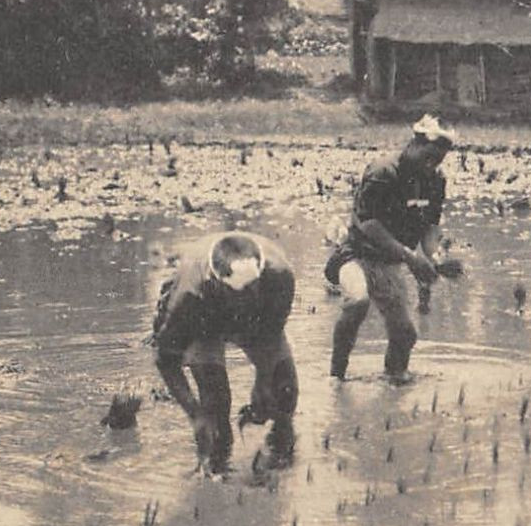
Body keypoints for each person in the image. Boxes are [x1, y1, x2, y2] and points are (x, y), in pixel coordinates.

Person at [151, 231, 297, 475]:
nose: (245, 297)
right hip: (206, 322)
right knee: (215, 406)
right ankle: (217, 465)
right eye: (237, 292)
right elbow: (165, 360)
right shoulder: (189, 297)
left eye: (251, 288)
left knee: (285, 390)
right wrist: (194, 414)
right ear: (215, 281)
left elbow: (271, 336)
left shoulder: (280, 277)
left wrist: (262, 381)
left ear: (261, 275)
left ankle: (279, 459)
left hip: (257, 319)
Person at [328, 116, 455, 382]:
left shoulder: (435, 180)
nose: (431, 165)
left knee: (405, 333)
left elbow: (430, 227)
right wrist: (410, 257)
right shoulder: (383, 171)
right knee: (357, 301)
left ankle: (394, 380)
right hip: (356, 255)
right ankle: (335, 377)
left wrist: (435, 257)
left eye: (438, 161)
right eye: (428, 157)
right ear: (413, 145)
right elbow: (369, 225)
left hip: (390, 263)